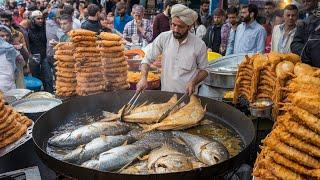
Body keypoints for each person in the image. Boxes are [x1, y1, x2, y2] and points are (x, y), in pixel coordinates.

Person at [136, 4, 209, 95]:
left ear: (189, 27)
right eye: (173, 25)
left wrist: (193, 82)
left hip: (187, 97)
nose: (176, 29)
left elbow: (205, 70)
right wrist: (143, 78)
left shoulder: (199, 45)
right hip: (166, 94)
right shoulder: (164, 37)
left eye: (180, 26)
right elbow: (147, 59)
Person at [28, 10, 53, 93]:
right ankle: (38, 95)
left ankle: (50, 94)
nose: (40, 20)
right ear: (33, 20)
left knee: (48, 77)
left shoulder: (45, 28)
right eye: (38, 19)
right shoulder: (29, 30)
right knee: (36, 79)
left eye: (41, 18)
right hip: (34, 57)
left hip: (44, 56)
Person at [0, 25, 24, 92]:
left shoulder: (11, 49)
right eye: (2, 36)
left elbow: (22, 61)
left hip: (11, 83)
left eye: (7, 35)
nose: (5, 38)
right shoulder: (11, 48)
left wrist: (20, 49)